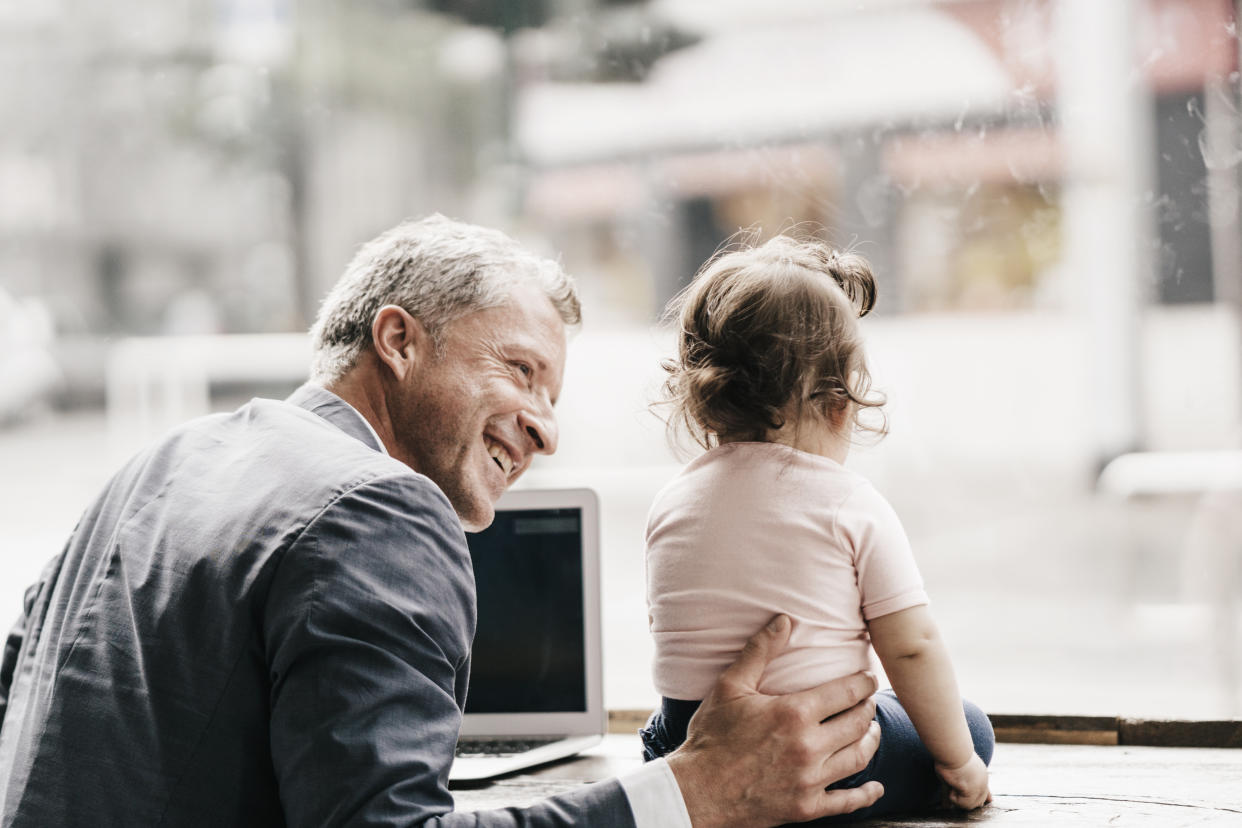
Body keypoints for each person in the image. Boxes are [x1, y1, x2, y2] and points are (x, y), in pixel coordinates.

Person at [0, 215, 885, 827]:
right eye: (521, 369)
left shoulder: (164, 461)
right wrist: (693, 793)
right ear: (398, 340)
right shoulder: (379, 506)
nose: (545, 424)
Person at [640, 234, 995, 821]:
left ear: (703, 400)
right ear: (840, 402)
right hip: (829, 757)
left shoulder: (671, 501)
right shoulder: (849, 502)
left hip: (683, 745)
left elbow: (672, 629)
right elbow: (911, 646)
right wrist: (960, 763)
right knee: (971, 724)